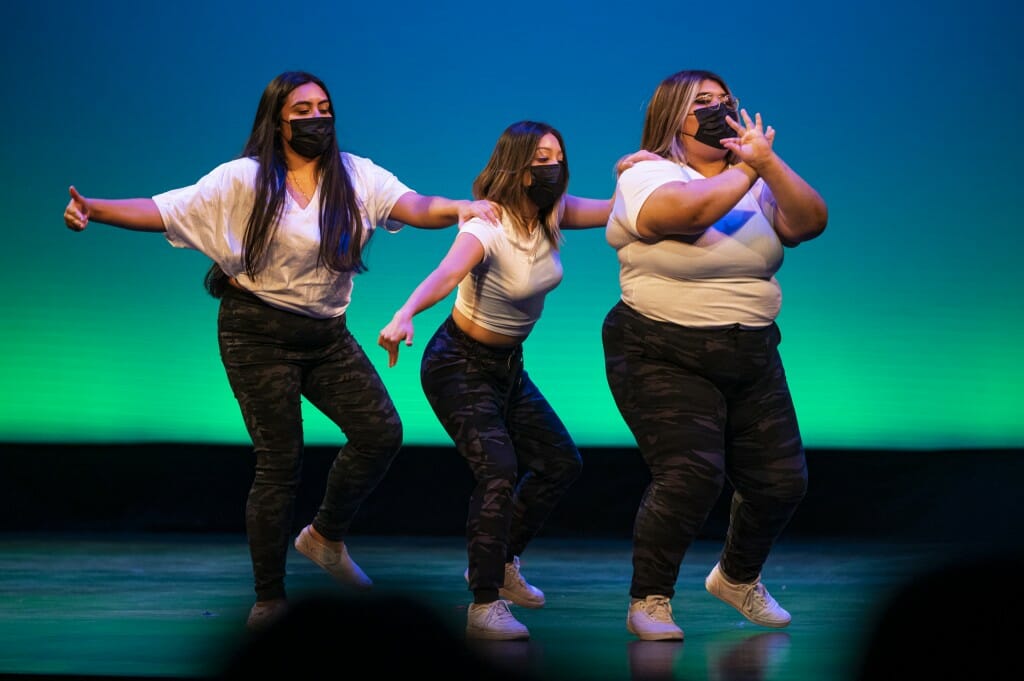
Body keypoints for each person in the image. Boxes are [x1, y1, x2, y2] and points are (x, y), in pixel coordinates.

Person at [62, 70, 499, 632]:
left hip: (326, 333)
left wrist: (460, 208)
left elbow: (414, 204)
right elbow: (165, 209)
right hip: (255, 330)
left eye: (324, 108)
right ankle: (269, 598)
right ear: (277, 120)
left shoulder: (354, 175)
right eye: (302, 110)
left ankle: (324, 537)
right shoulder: (244, 179)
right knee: (280, 460)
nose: (316, 118)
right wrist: (92, 209)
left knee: (381, 432)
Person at [378, 121, 640, 640]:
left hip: (508, 368)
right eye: (542, 157)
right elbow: (447, 274)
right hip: (458, 364)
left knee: (560, 463)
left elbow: (618, 210)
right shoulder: (486, 225)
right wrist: (405, 312)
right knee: (497, 470)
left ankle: (503, 563)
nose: (554, 166)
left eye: (559, 156)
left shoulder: (554, 213)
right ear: (517, 167)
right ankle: (483, 601)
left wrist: (631, 176)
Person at [602, 69, 828, 641]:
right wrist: (750, 166)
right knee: (691, 474)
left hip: (750, 348)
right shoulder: (647, 173)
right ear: (672, 116)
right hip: (660, 346)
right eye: (701, 102)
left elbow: (810, 222)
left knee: (782, 482)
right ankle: (649, 599)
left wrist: (767, 165)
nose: (717, 108)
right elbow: (685, 214)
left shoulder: (753, 178)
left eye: (724, 100)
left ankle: (736, 576)